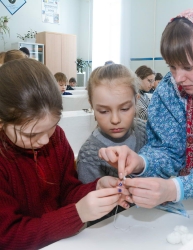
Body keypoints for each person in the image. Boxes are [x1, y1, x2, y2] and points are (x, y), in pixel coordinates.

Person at [98, 8, 193, 210]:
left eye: (188, 67)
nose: (178, 78)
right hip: (192, 200)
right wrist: (143, 162)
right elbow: (168, 149)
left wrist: (175, 188)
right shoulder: (171, 88)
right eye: (171, 66)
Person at [0, 58, 129, 249]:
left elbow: (67, 191)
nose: (44, 140)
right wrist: (77, 215)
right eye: (31, 134)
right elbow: (8, 236)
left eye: (52, 127)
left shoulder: (56, 138)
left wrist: (95, 189)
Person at [77, 64, 147, 225]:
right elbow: (91, 208)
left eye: (124, 108)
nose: (115, 120)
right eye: (104, 111)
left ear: (136, 101)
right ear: (92, 106)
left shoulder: (144, 131)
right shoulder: (89, 153)